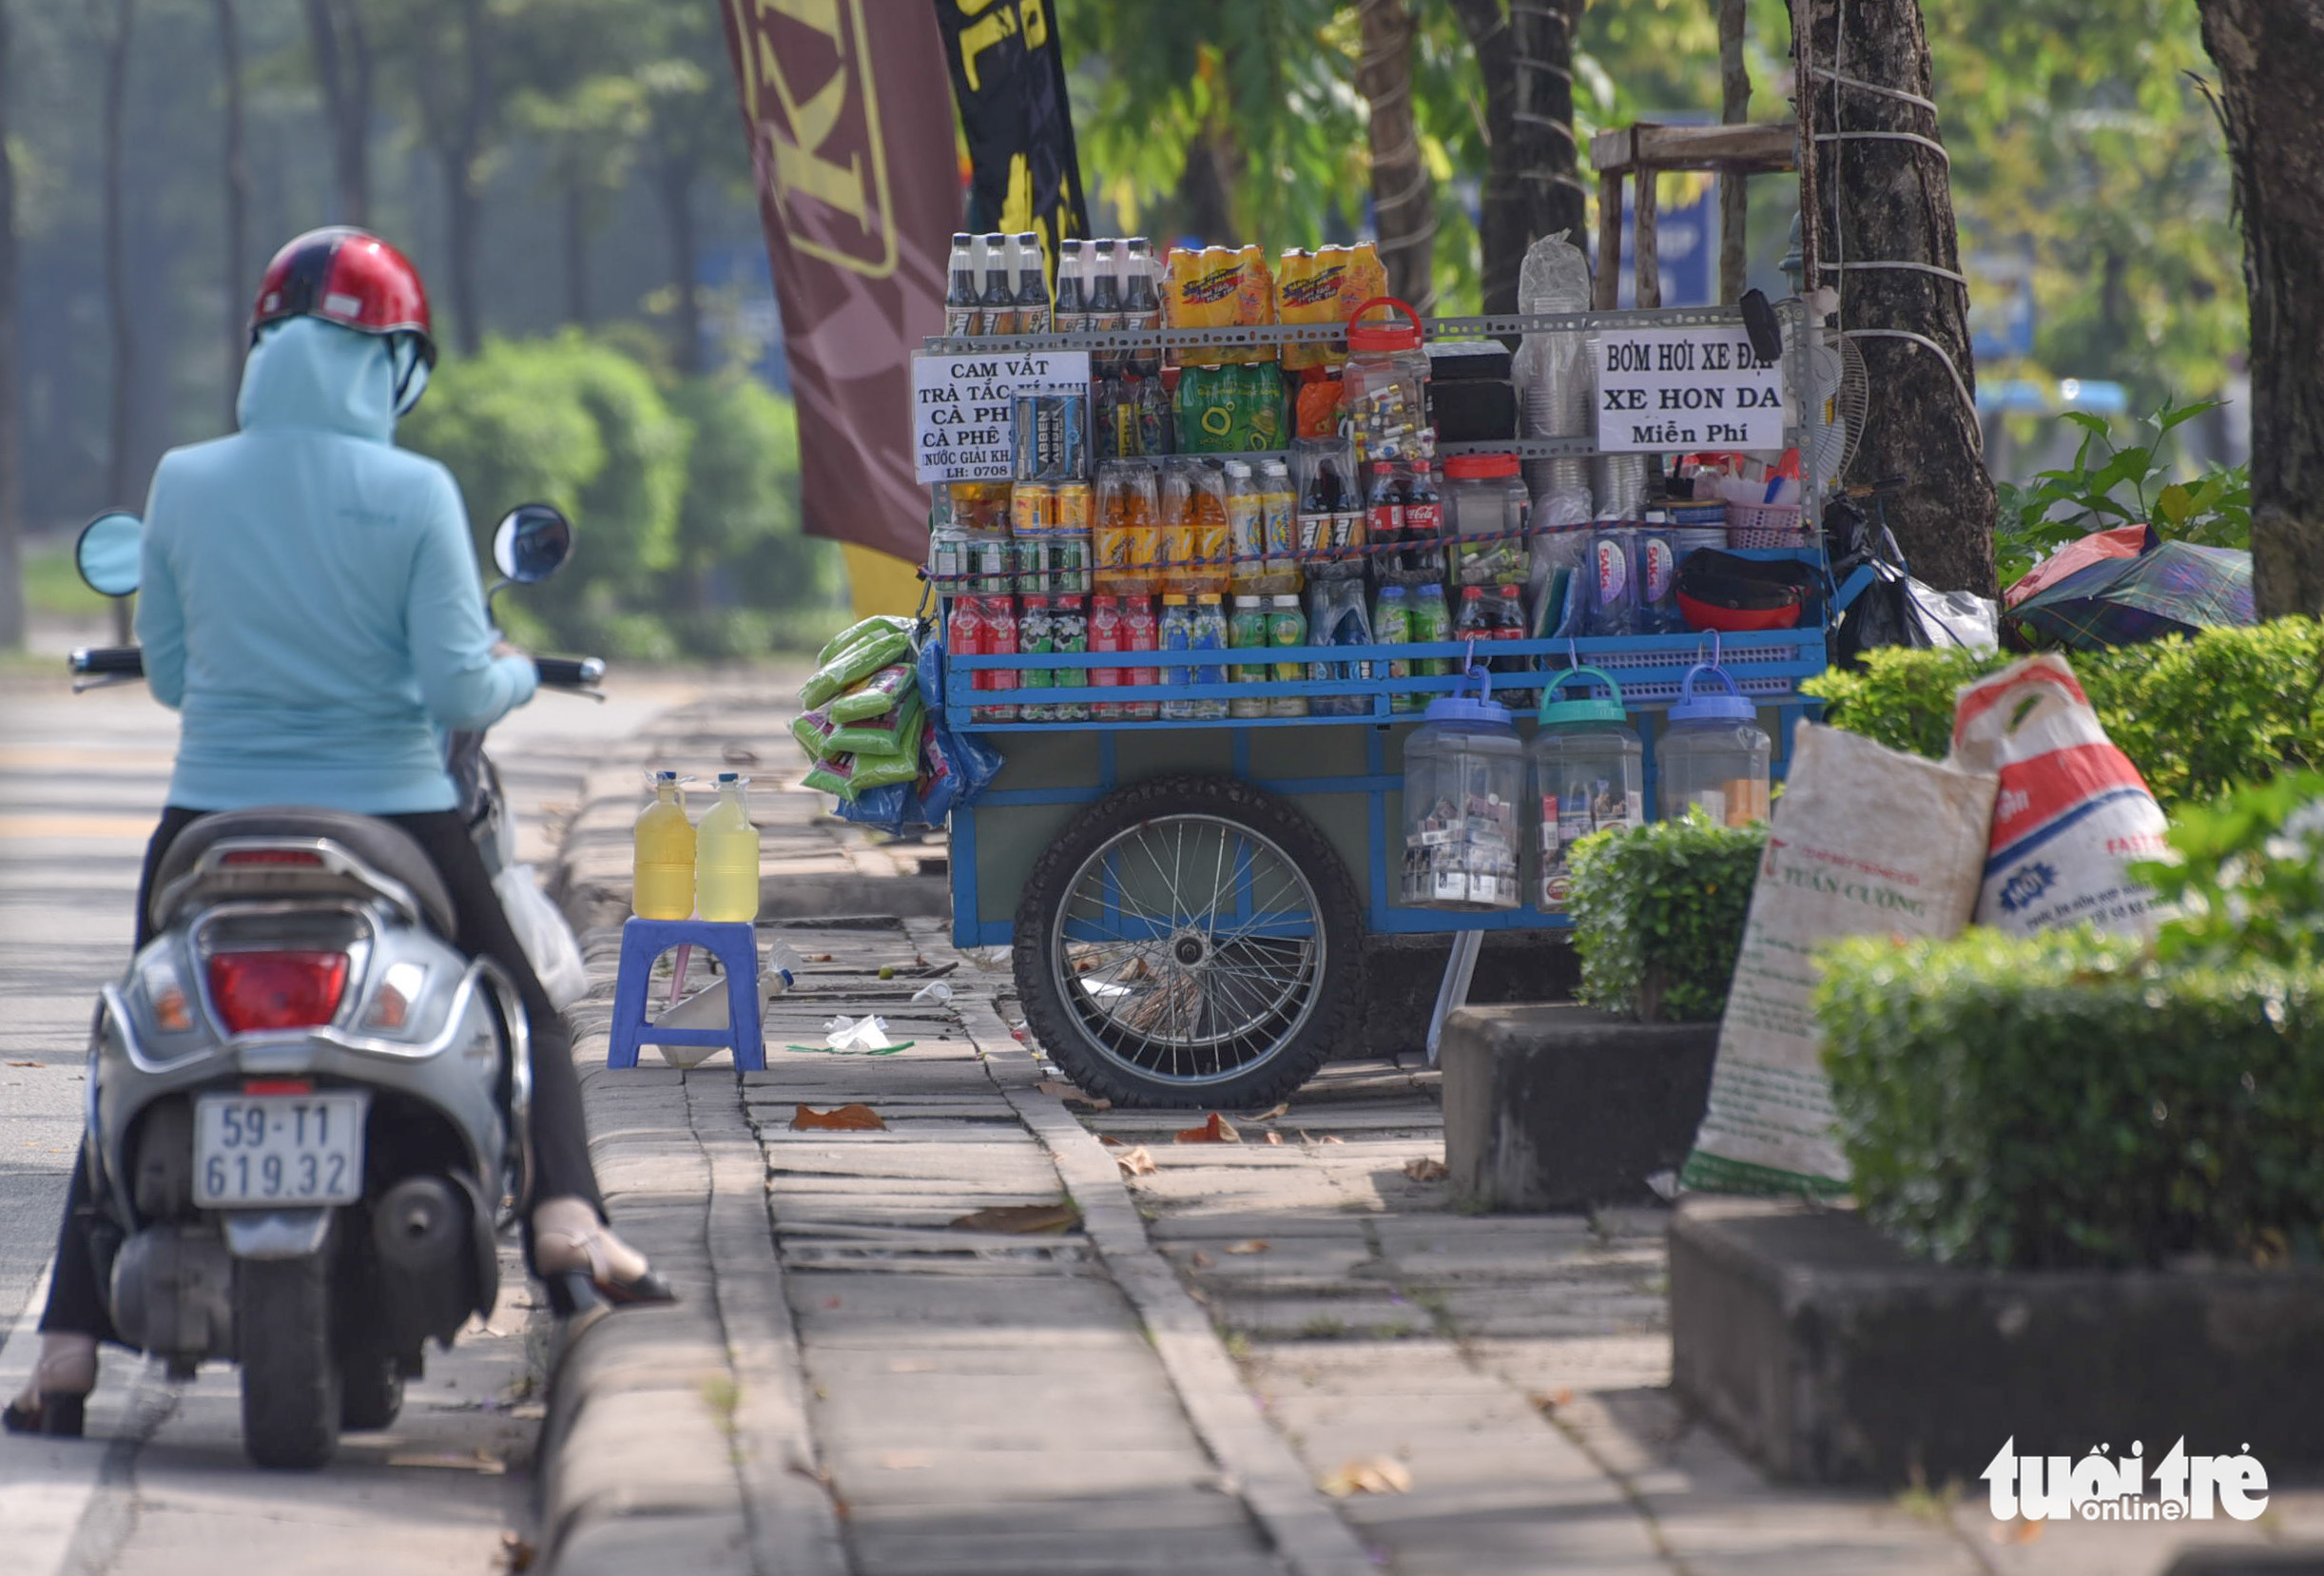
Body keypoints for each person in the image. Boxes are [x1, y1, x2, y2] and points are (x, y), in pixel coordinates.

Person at [6, 227, 670, 1439]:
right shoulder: (417, 493)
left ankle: (62, 1350)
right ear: (393, 365)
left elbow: (172, 679)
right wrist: (517, 680)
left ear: (265, 351)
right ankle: (568, 1221)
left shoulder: (183, 480)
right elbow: (459, 691)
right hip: (392, 810)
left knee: (123, 1044)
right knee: (525, 1002)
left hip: (212, 817)